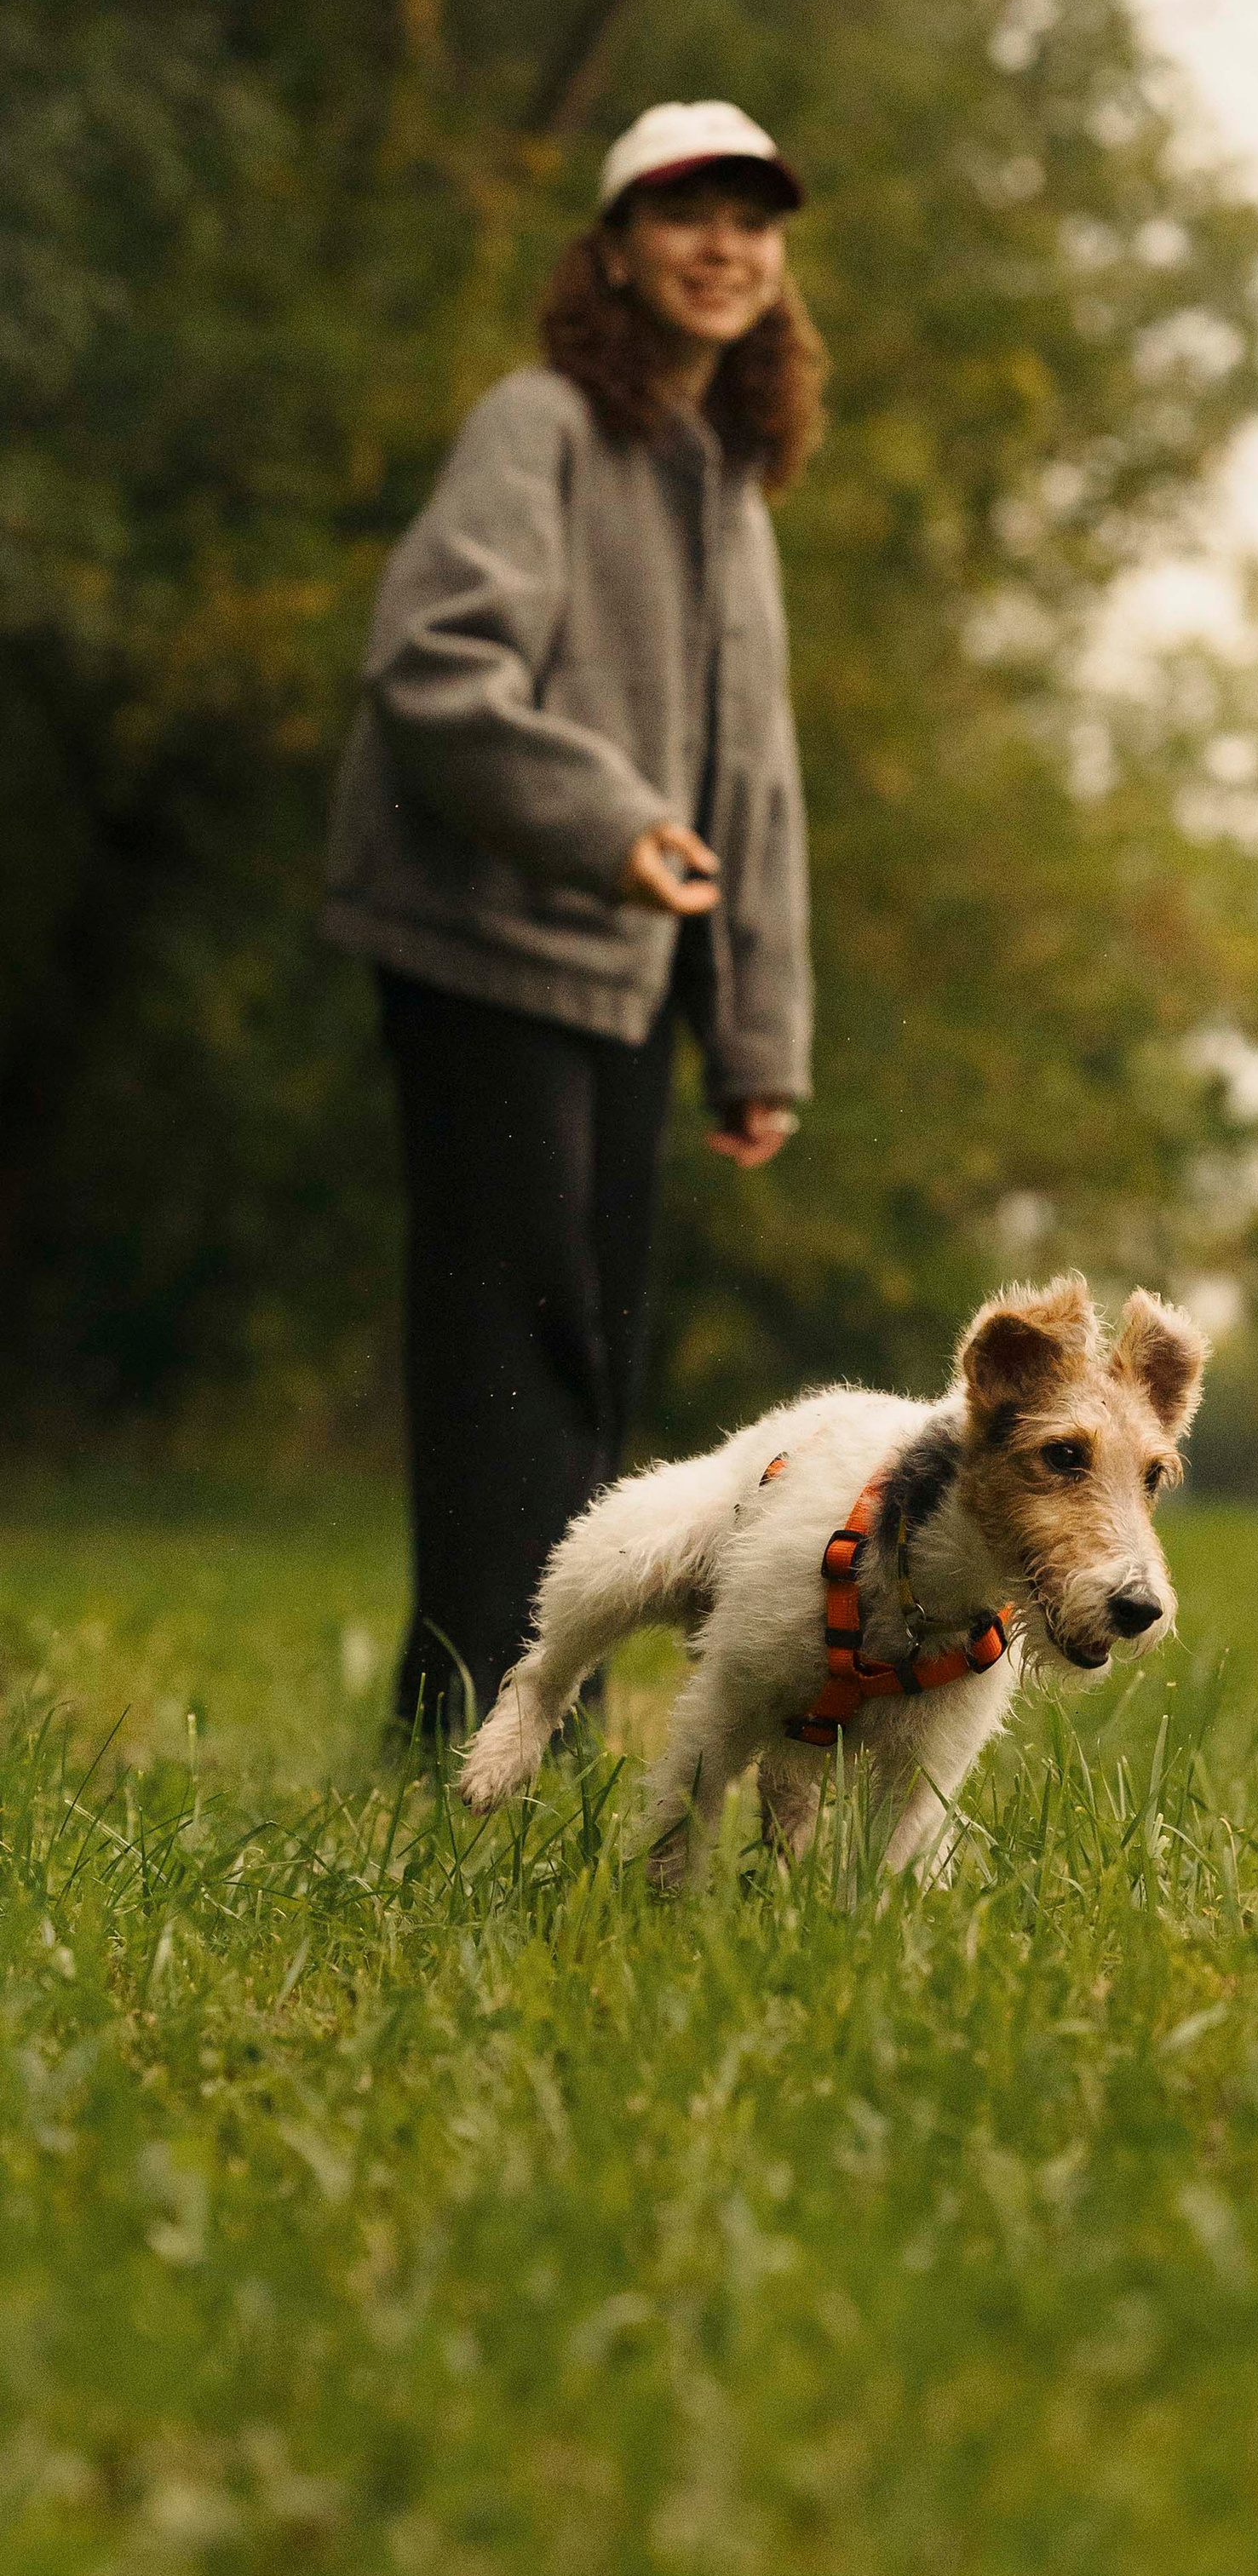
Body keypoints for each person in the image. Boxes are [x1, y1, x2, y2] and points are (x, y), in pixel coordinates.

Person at [324, 99, 823, 1735]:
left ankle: (479, 1717)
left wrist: (755, 1032)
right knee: (513, 1352)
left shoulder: (724, 484)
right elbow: (432, 669)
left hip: (623, 981)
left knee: (587, 1355)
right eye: (686, 212)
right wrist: (604, 825)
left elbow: (753, 782)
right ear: (613, 247)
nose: (723, 244)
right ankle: (486, 1719)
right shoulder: (535, 426)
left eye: (753, 219)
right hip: (487, 949)